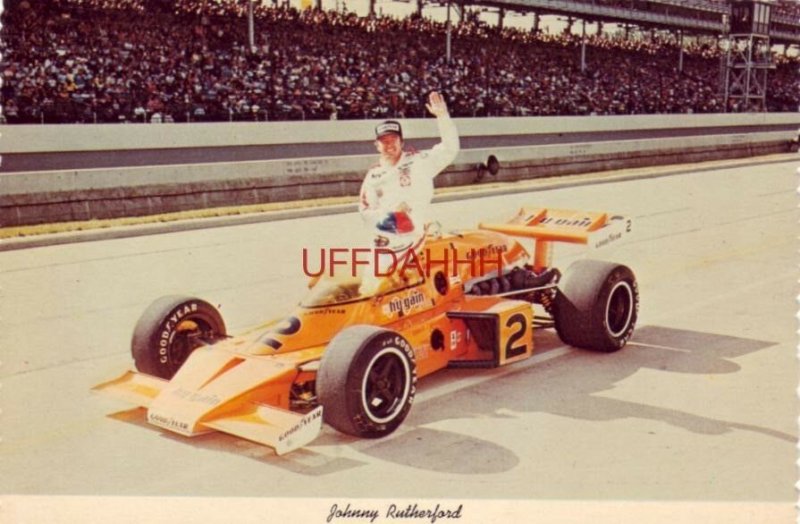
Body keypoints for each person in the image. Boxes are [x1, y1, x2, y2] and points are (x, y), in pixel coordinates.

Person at [358, 91, 460, 277]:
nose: (389, 144)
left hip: (413, 239)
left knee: (386, 286)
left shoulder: (419, 161)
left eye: (393, 140)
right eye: (384, 141)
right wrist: (391, 216)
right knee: (369, 287)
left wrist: (442, 117)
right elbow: (365, 212)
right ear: (377, 145)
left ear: (401, 141)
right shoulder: (373, 176)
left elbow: (450, 149)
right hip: (383, 242)